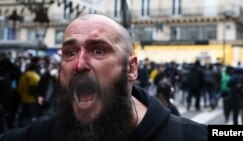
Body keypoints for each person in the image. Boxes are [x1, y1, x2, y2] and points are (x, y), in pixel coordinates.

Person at [0, 14, 207, 141]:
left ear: (131, 68)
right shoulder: (45, 134)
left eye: (98, 51)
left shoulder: (191, 135)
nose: (79, 64)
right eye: (70, 53)